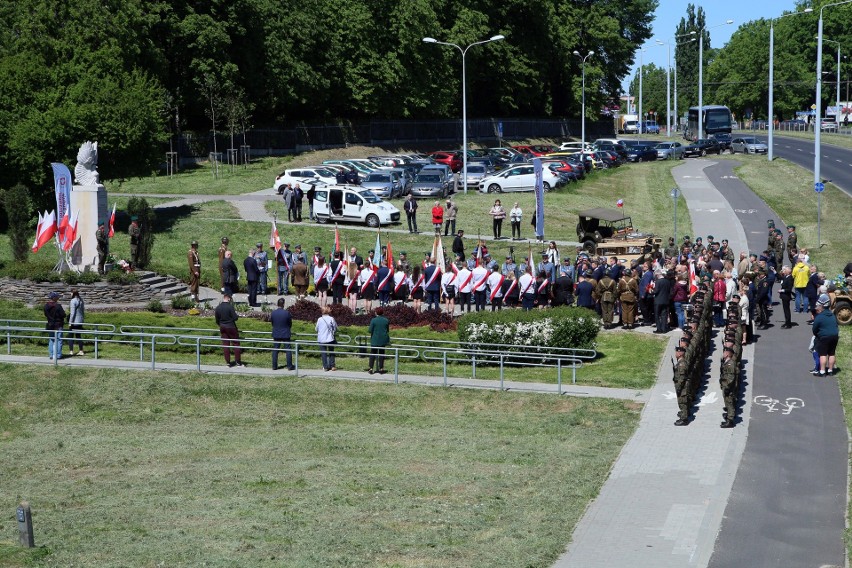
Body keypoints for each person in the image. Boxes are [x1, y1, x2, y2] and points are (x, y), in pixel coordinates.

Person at [214, 293, 244, 367]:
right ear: (229, 299)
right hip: (231, 326)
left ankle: (228, 362)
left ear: (223, 298)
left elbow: (217, 320)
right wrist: (237, 316)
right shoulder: (230, 307)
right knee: (236, 344)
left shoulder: (218, 307)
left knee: (226, 344)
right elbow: (235, 318)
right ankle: (238, 362)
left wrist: (221, 324)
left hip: (222, 327)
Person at [812, 294, 839, 376]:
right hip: (835, 336)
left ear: (822, 306)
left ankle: (822, 371)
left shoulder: (819, 317)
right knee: (831, 353)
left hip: (824, 337)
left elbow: (814, 329)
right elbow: (836, 325)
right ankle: (830, 370)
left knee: (823, 354)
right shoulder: (833, 315)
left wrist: (817, 335)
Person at [270, 298, 295, 371]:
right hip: (285, 333)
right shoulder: (287, 313)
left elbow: (272, 323)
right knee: (288, 350)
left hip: (276, 333)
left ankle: (274, 366)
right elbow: (290, 323)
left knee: (275, 350)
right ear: (283, 304)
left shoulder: (273, 313)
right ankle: (289, 366)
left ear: (277, 304)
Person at [367, 307, 391, 374]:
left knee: (372, 354)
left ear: (376, 313)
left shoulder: (373, 320)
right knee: (381, 354)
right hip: (383, 340)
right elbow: (387, 330)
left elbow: (370, 330)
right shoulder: (386, 320)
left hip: (375, 339)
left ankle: (371, 368)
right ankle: (381, 368)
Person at [719, 346, 738, 428]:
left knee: (729, 402)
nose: (723, 353)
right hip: (726, 386)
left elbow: (731, 378)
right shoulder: (727, 362)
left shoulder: (730, 364)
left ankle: (730, 420)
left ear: (728, 354)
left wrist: (726, 387)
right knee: (727, 402)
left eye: (725, 352)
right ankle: (729, 416)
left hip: (729, 387)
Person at [44, 291, 65, 360]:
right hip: (58, 325)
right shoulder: (58, 306)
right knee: (59, 340)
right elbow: (63, 315)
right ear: (54, 298)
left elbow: (46, 315)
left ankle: (51, 354)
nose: (58, 298)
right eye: (57, 297)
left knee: (51, 340)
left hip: (50, 325)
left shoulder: (46, 306)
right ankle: (58, 355)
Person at [315, 305, 338, 371]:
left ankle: (325, 367)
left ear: (322, 311)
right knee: (331, 352)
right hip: (330, 338)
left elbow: (316, 329)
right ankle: (332, 366)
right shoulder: (331, 318)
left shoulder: (319, 319)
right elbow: (335, 328)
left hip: (321, 339)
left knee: (323, 353)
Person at [672, 346, 690, 426]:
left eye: (677, 352)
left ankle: (684, 419)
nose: (676, 353)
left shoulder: (682, 364)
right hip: (681, 385)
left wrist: (678, 387)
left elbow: (682, 377)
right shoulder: (681, 362)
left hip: (682, 386)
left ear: (680, 353)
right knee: (682, 401)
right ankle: (684, 414)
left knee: (682, 402)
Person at [68, 289, 85, 356]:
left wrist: (70, 322)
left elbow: (72, 313)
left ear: (73, 293)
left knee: (70, 336)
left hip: (74, 321)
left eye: (70, 293)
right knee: (78, 336)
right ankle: (81, 350)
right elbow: (83, 311)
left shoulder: (73, 301)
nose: (70, 294)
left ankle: (71, 351)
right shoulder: (81, 300)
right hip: (80, 320)